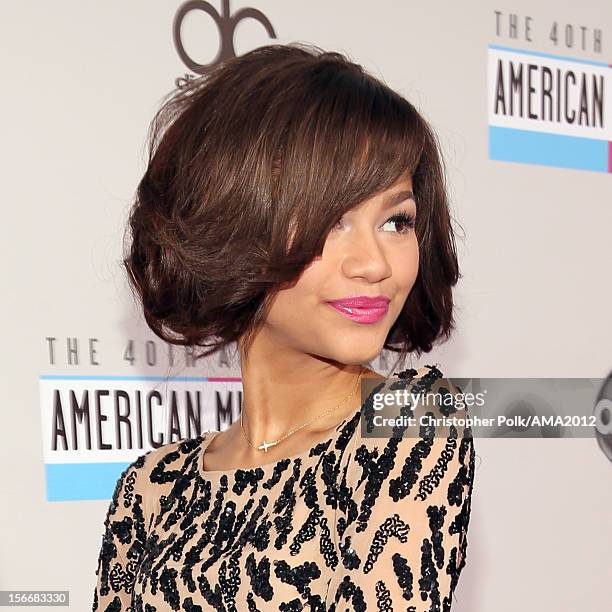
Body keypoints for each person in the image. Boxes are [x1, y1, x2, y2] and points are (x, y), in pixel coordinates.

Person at [93, 42, 476, 611]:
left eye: (396, 220)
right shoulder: (149, 491)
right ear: (238, 226)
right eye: (333, 221)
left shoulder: (409, 427)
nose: (373, 263)